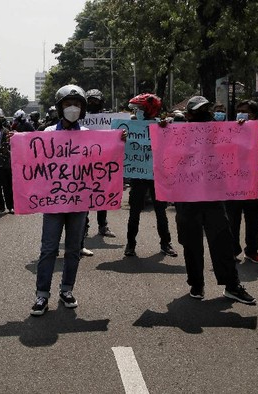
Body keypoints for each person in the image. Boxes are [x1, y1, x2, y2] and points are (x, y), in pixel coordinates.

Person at [31, 84, 125, 316]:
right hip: (54, 203)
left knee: (73, 250)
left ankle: (66, 290)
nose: (72, 108)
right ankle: (42, 295)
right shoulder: (48, 134)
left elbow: (104, 156)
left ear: (82, 109)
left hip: (78, 204)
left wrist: (119, 139)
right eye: (67, 104)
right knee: (49, 249)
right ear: (59, 108)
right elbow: (34, 161)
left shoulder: (88, 136)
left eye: (76, 105)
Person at [173, 96, 255, 304]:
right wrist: (163, 130)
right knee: (191, 243)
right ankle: (196, 284)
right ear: (189, 115)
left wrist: (241, 131)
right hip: (187, 198)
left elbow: (237, 151)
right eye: (199, 112)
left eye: (206, 111)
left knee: (222, 241)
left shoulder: (220, 133)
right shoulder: (176, 134)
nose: (205, 115)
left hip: (213, 197)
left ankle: (231, 285)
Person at [123, 93, 177, 258]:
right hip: (139, 177)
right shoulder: (130, 127)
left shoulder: (163, 126)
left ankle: (166, 243)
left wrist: (165, 130)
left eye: (139, 109)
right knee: (134, 212)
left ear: (149, 110)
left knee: (161, 212)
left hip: (156, 177)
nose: (136, 112)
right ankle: (130, 244)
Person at [225, 100, 258, 264]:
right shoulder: (229, 132)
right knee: (232, 219)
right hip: (234, 185)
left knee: (254, 220)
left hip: (256, 184)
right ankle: (232, 250)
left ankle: (252, 250)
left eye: (246, 112)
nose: (242, 114)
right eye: (239, 111)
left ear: (254, 115)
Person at [84, 89, 116, 239]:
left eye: (95, 101)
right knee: (83, 195)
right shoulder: (79, 118)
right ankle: (83, 227)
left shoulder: (109, 119)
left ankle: (102, 225)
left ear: (101, 102)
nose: (92, 104)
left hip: (103, 163)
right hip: (83, 164)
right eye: (90, 101)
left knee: (101, 195)